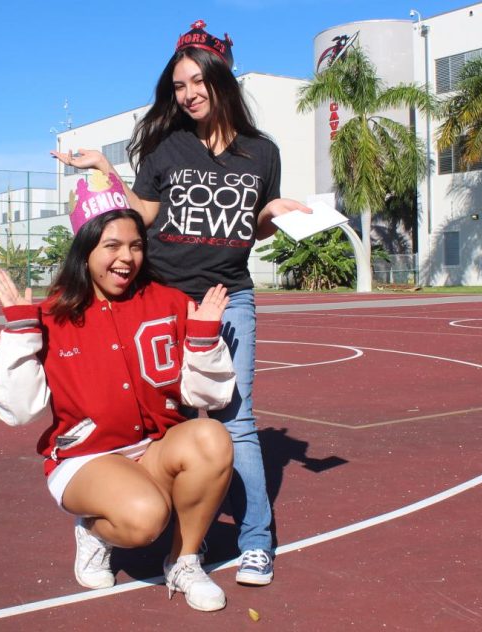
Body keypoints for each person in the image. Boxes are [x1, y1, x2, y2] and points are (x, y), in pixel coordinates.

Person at [51, 19, 309, 587]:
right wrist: (106, 173)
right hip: (163, 296)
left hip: (228, 297)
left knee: (236, 421)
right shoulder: (171, 145)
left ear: (222, 81)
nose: (189, 94)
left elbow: (253, 226)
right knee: (161, 417)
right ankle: (131, 514)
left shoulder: (263, 153)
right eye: (179, 86)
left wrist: (273, 213)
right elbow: (141, 214)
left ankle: (255, 542)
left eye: (198, 82)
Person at [0, 172, 237, 612]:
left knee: (212, 438)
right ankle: (94, 530)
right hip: (86, 457)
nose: (127, 258)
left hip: (155, 446)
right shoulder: (51, 315)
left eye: (136, 245)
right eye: (112, 246)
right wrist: (21, 331)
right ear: (85, 251)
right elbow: (19, 412)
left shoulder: (169, 302)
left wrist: (202, 339)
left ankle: (184, 560)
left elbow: (209, 399)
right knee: (145, 518)